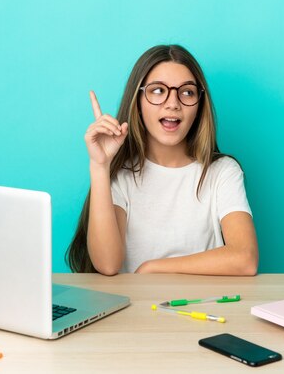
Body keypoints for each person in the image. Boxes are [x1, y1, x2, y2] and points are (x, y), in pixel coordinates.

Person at [66, 44, 258, 276]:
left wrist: (153, 267)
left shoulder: (222, 171)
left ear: (199, 104)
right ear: (138, 102)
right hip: (137, 310)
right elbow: (107, 264)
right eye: (158, 91)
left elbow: (245, 259)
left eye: (187, 92)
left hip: (201, 308)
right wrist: (100, 166)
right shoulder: (122, 175)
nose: (173, 103)